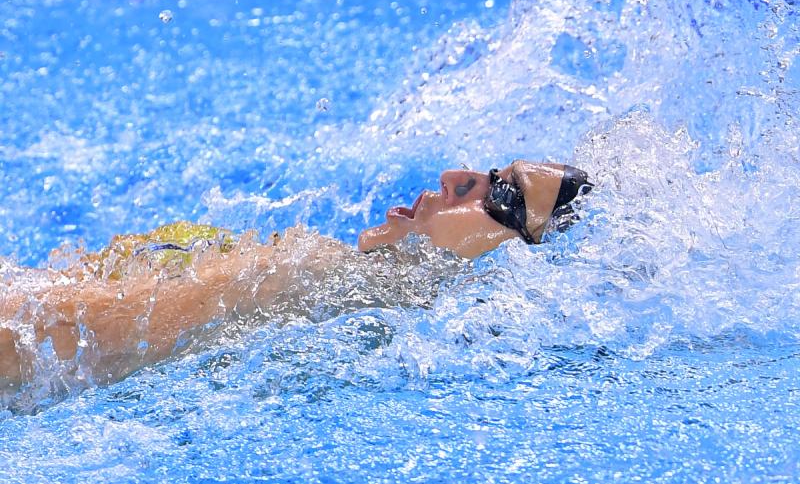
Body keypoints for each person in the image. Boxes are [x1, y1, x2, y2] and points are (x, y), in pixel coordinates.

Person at [0, 160, 591, 399]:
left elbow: (73, 332)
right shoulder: (339, 283)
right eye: (490, 172)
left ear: (514, 254)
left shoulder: (328, 284)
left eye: (503, 194)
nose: (458, 177)